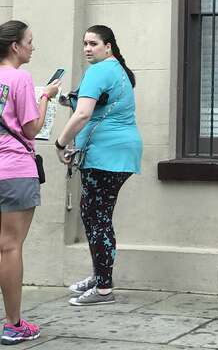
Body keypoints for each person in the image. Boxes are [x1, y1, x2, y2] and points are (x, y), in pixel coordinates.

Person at [54, 25, 142, 306]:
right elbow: (97, 104)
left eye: (93, 43)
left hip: (106, 155)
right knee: (95, 215)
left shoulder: (99, 71)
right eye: (85, 44)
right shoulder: (117, 70)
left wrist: (60, 143)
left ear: (108, 46)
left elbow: (83, 114)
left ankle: (103, 289)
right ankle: (99, 277)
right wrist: (62, 98)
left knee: (96, 217)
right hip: (119, 154)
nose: (87, 49)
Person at [0, 20, 61, 345]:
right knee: (10, 246)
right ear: (15, 46)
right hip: (14, 169)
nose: (32, 47)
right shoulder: (20, 78)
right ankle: (13, 324)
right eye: (29, 41)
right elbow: (31, 128)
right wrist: (46, 96)